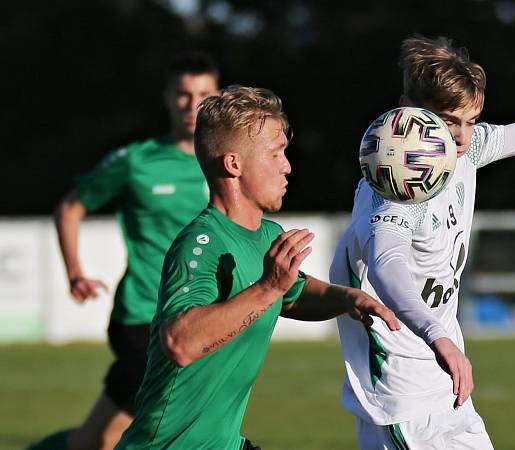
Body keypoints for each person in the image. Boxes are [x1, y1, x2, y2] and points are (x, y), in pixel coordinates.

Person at [330, 25, 515, 449]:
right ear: (409, 110)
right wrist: (438, 335)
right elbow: (386, 264)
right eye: (450, 121)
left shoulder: (466, 150)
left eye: (471, 121)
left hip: (446, 384)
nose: (464, 136)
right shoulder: (397, 185)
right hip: (402, 390)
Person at [114, 85, 400, 450]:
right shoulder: (202, 244)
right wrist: (268, 287)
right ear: (234, 164)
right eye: (276, 153)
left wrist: (349, 299)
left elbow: (292, 294)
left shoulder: (267, 235)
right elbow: (180, 343)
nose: (288, 166)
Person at [30, 51, 220, 450]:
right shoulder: (137, 161)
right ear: (168, 98)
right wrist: (75, 272)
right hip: (144, 316)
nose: (192, 104)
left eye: (202, 93)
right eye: (183, 94)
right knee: (138, 435)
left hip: (203, 316)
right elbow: (70, 207)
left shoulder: (226, 162)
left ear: (216, 95)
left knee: (102, 439)